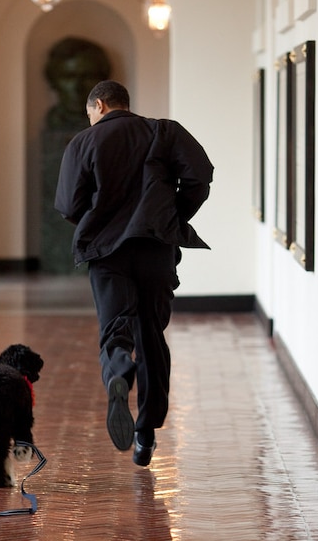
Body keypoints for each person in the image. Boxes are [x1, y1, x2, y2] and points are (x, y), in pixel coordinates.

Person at [54, 80, 213, 466]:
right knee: (151, 334)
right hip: (155, 247)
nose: (90, 119)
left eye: (89, 112)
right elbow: (200, 176)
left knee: (116, 328)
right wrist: (170, 215)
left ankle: (119, 372)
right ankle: (146, 433)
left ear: (101, 105)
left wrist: (97, 219)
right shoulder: (164, 131)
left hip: (109, 252)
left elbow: (67, 203)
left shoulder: (83, 142)